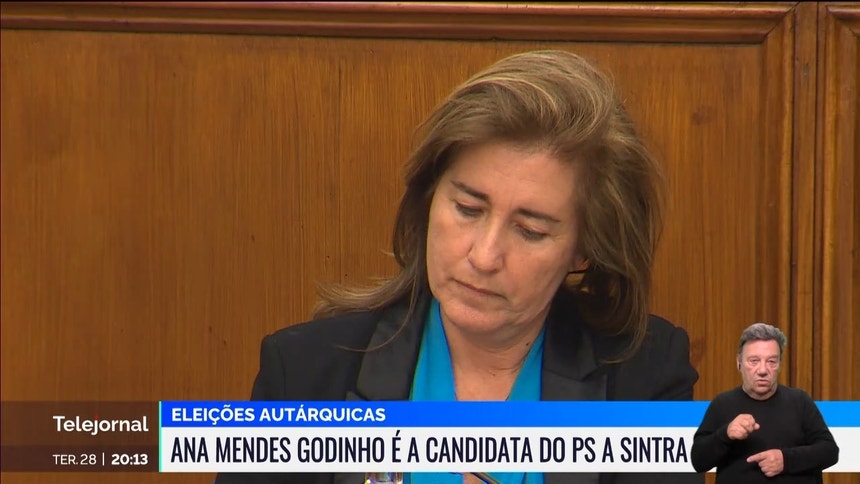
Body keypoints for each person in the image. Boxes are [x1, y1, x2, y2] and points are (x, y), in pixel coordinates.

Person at [216, 50, 702, 484]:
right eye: (468, 209)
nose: (484, 256)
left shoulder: (645, 381)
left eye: (530, 230)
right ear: (430, 199)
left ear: (584, 248)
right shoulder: (304, 374)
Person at [691, 323, 839, 483]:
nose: (762, 370)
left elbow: (830, 451)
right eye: (754, 361)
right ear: (739, 363)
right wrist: (725, 434)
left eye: (771, 361)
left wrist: (786, 460)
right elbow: (699, 461)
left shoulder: (800, 401)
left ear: (779, 365)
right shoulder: (722, 404)